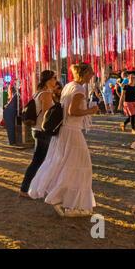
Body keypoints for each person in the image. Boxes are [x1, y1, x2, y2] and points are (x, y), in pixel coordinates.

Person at [28, 63, 98, 217]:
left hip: (65, 131)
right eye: (91, 72)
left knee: (63, 164)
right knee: (79, 166)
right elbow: (73, 111)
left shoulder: (69, 86)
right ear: (84, 73)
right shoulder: (79, 89)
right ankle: (67, 203)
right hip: (72, 132)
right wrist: (90, 111)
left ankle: (63, 200)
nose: (92, 75)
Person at [19, 70, 57, 198]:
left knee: (41, 160)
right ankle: (25, 188)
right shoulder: (46, 94)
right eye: (54, 78)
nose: (55, 80)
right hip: (42, 131)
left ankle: (36, 187)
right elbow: (47, 114)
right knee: (39, 161)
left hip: (37, 129)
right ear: (48, 80)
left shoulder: (38, 93)